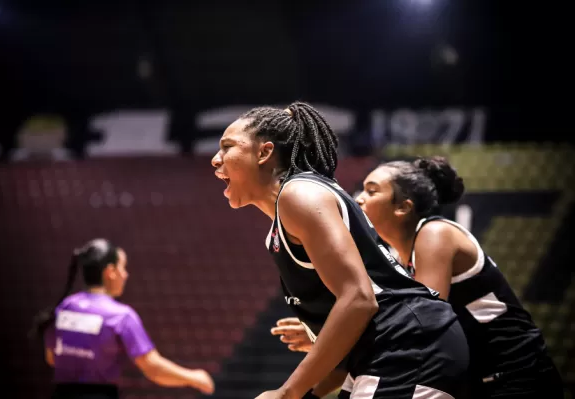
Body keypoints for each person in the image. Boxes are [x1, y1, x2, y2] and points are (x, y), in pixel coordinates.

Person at [211, 102, 470, 399]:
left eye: (227, 147)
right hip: (385, 349)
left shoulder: (299, 195)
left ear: (264, 152)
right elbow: (356, 312)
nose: (215, 160)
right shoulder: (284, 222)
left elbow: (360, 300)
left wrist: (288, 392)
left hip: (409, 345)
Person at [273, 156, 564, 398]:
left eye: (372, 191)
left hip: (518, 377)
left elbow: (422, 327)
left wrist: (332, 336)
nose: (359, 199)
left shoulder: (434, 234)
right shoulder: (396, 262)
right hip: (476, 380)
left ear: (402, 207)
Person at [31, 239, 215, 399]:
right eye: (123, 267)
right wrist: (193, 377)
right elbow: (153, 368)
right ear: (110, 272)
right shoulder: (120, 316)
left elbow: (52, 358)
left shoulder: (65, 306)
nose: (125, 274)